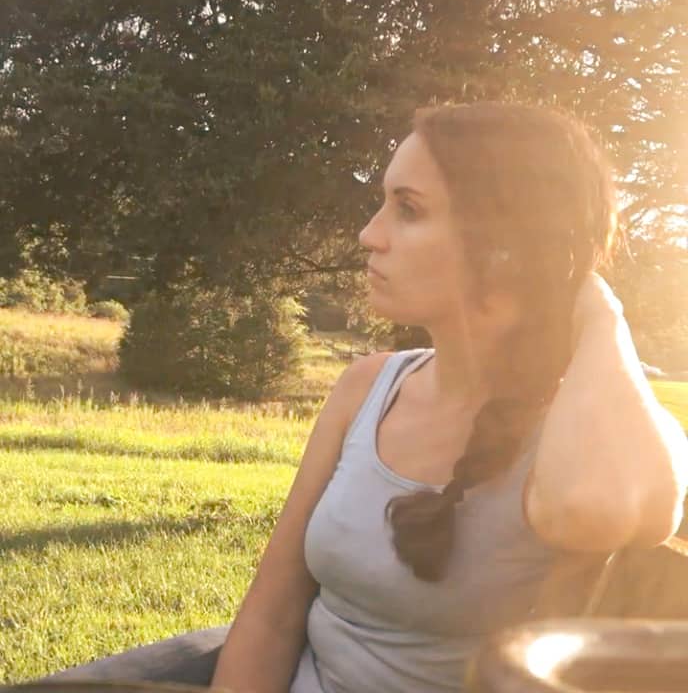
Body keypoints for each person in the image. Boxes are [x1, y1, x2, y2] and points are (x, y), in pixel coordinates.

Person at [44, 102, 688, 692]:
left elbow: (596, 508)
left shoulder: (583, 446)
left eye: (408, 210)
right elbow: (272, 613)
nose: (369, 235)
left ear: (504, 244)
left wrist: (601, 311)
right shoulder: (368, 385)